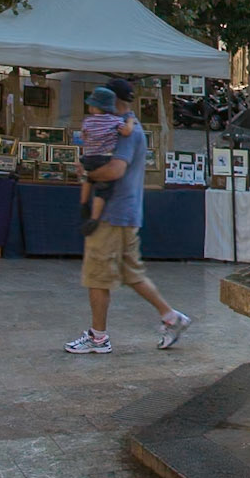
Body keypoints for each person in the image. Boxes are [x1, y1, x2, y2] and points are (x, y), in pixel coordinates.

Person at [65, 79, 190, 354]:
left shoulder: (125, 133)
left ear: (114, 102)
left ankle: (98, 338)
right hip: (126, 213)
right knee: (132, 273)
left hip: (112, 215)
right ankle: (172, 318)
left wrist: (86, 173)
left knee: (96, 276)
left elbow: (114, 171)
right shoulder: (126, 128)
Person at [76, 85, 138, 235]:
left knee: (87, 179)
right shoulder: (114, 121)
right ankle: (94, 218)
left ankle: (83, 202)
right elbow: (126, 132)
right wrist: (130, 121)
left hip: (88, 157)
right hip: (103, 158)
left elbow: (83, 136)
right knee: (102, 190)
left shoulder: (87, 121)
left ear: (93, 107)